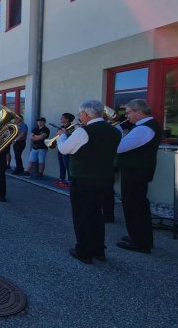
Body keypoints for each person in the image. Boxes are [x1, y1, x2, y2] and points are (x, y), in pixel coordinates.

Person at [57, 100, 121, 264]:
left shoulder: (83, 131)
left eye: (80, 114)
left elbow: (64, 149)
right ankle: (99, 250)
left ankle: (84, 251)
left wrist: (61, 136)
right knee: (97, 214)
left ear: (85, 114)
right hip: (105, 178)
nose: (79, 117)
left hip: (84, 179)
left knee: (82, 215)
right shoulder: (115, 131)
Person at [115, 99, 162, 254]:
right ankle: (138, 237)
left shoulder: (143, 128)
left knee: (134, 206)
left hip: (135, 172)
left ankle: (140, 242)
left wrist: (116, 132)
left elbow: (120, 147)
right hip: (137, 170)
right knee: (136, 205)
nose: (126, 116)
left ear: (139, 112)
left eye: (129, 113)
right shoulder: (144, 126)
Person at [54, 113, 76, 188]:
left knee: (67, 165)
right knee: (61, 164)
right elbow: (57, 137)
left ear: (67, 119)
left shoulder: (72, 128)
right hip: (60, 148)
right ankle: (61, 179)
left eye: (62, 117)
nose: (61, 119)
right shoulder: (60, 127)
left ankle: (70, 181)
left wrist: (65, 132)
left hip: (67, 149)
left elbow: (72, 138)